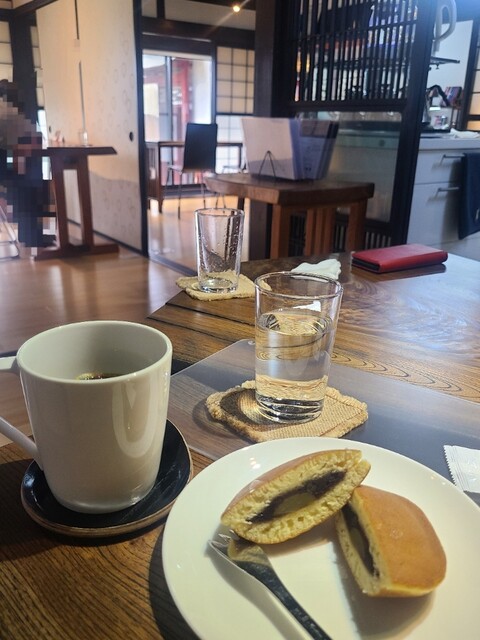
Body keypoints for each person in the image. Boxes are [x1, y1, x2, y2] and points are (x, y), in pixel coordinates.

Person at [0, 79, 46, 247]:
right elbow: (35, 139)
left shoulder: (8, 113)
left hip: (8, 167)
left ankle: (30, 233)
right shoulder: (8, 113)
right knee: (29, 182)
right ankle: (32, 235)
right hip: (9, 170)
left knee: (27, 178)